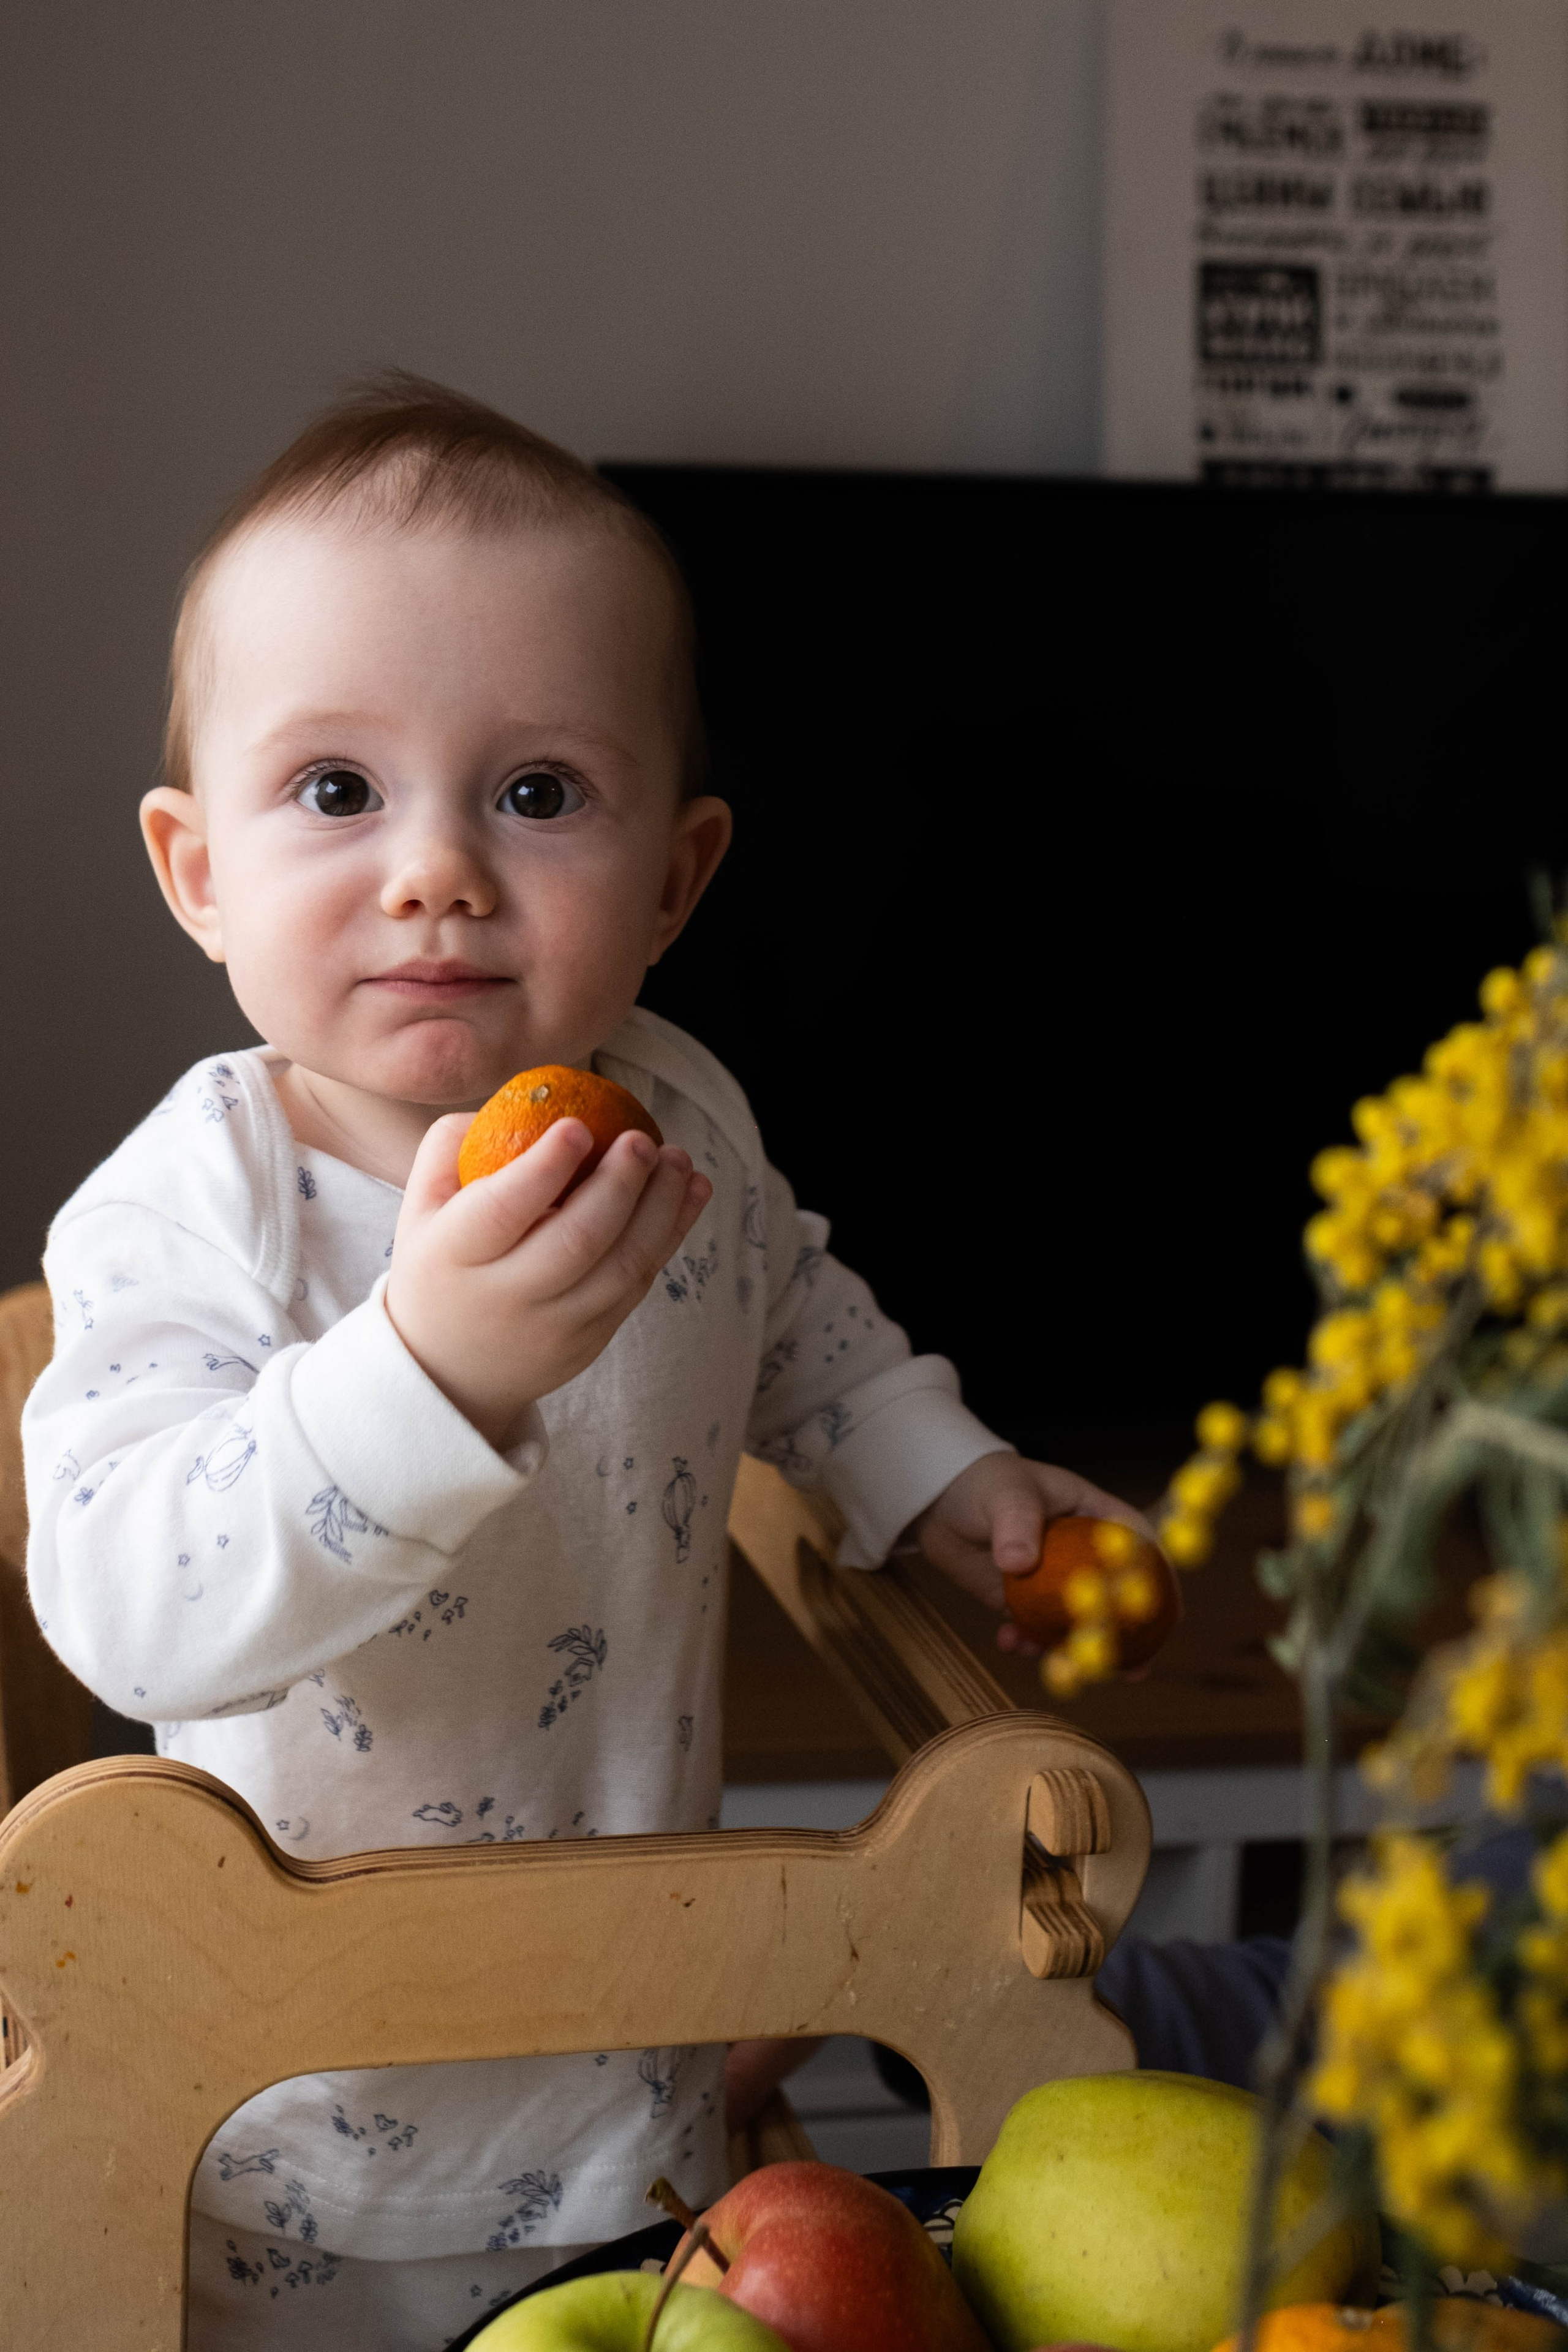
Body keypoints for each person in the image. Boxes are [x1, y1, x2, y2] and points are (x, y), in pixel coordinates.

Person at [21, 374, 1147, 2350]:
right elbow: (127, 1602)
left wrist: (938, 1474)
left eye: (537, 793)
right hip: (292, 2126)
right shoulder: (195, 1208)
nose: (439, 867)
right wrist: (423, 1372)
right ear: (198, 871)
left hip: (638, 2066)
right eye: (338, 792)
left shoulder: (680, 1124)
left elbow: (799, 1322)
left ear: (677, 877)